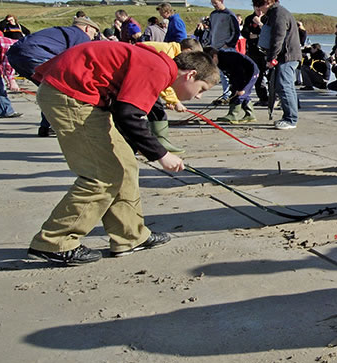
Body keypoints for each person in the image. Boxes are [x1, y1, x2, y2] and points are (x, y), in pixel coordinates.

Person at [26, 43, 218, 266]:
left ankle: (130, 236)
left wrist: (139, 146)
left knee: (126, 164)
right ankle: (55, 241)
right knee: (103, 175)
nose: (199, 97)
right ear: (190, 75)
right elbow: (130, 115)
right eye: (202, 89)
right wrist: (161, 154)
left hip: (85, 98)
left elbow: (123, 110)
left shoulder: (158, 65)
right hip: (72, 97)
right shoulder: (158, 68)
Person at [6, 16, 101, 137]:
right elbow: (80, 60)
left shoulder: (63, 32)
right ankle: (53, 126)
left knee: (48, 90)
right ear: (87, 28)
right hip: (36, 55)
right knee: (58, 90)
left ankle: (46, 126)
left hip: (15, 56)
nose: (94, 37)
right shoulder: (80, 35)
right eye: (94, 32)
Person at [252, 0, 303, 130]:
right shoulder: (276, 13)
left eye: (259, 6)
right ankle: (291, 116)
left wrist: (271, 58)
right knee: (287, 86)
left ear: (266, 3)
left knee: (284, 86)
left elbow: (277, 39)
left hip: (287, 56)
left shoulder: (278, 14)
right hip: (288, 55)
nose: (258, 9)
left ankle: (290, 119)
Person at [208, 47, 259, 124]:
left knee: (241, 93)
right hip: (240, 73)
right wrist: (233, 85)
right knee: (236, 91)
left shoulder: (228, 58)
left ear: (214, 56)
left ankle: (233, 115)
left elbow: (239, 72)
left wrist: (241, 88)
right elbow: (230, 74)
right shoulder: (220, 61)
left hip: (250, 72)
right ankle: (250, 115)